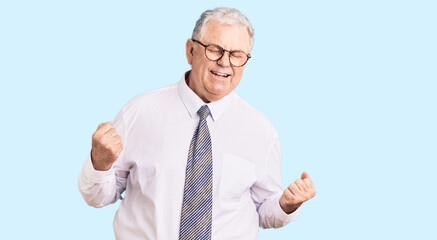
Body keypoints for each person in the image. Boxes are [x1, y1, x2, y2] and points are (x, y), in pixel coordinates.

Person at [78, 7, 316, 240]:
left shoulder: (261, 131)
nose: (225, 62)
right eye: (215, 50)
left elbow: (264, 212)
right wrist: (100, 163)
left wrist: (286, 205)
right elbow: (97, 197)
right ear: (190, 51)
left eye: (237, 55)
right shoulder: (139, 113)